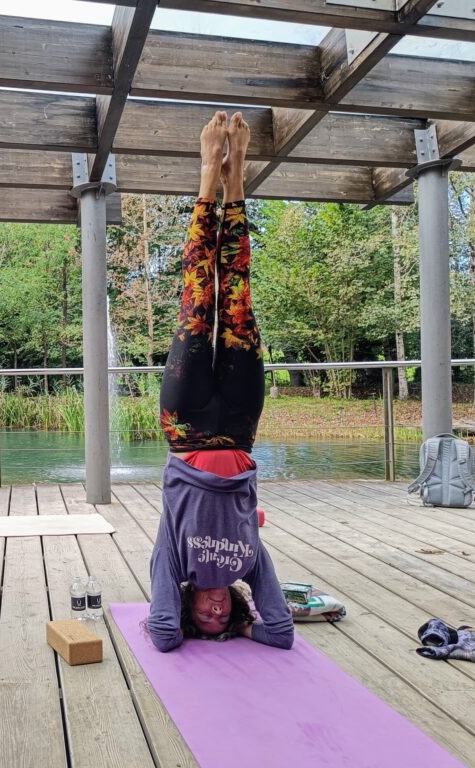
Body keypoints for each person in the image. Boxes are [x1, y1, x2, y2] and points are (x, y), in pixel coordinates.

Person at [146, 111, 294, 652]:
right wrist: (249, 626)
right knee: (237, 300)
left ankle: (208, 175)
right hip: (238, 427)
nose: (213, 609)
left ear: (187, 607)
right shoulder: (249, 562)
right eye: (220, 617)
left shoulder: (174, 561)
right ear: (234, 605)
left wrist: (181, 622)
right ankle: (237, 185)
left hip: (185, 430)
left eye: (201, 617)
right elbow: (280, 633)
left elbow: (163, 637)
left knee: (196, 300)